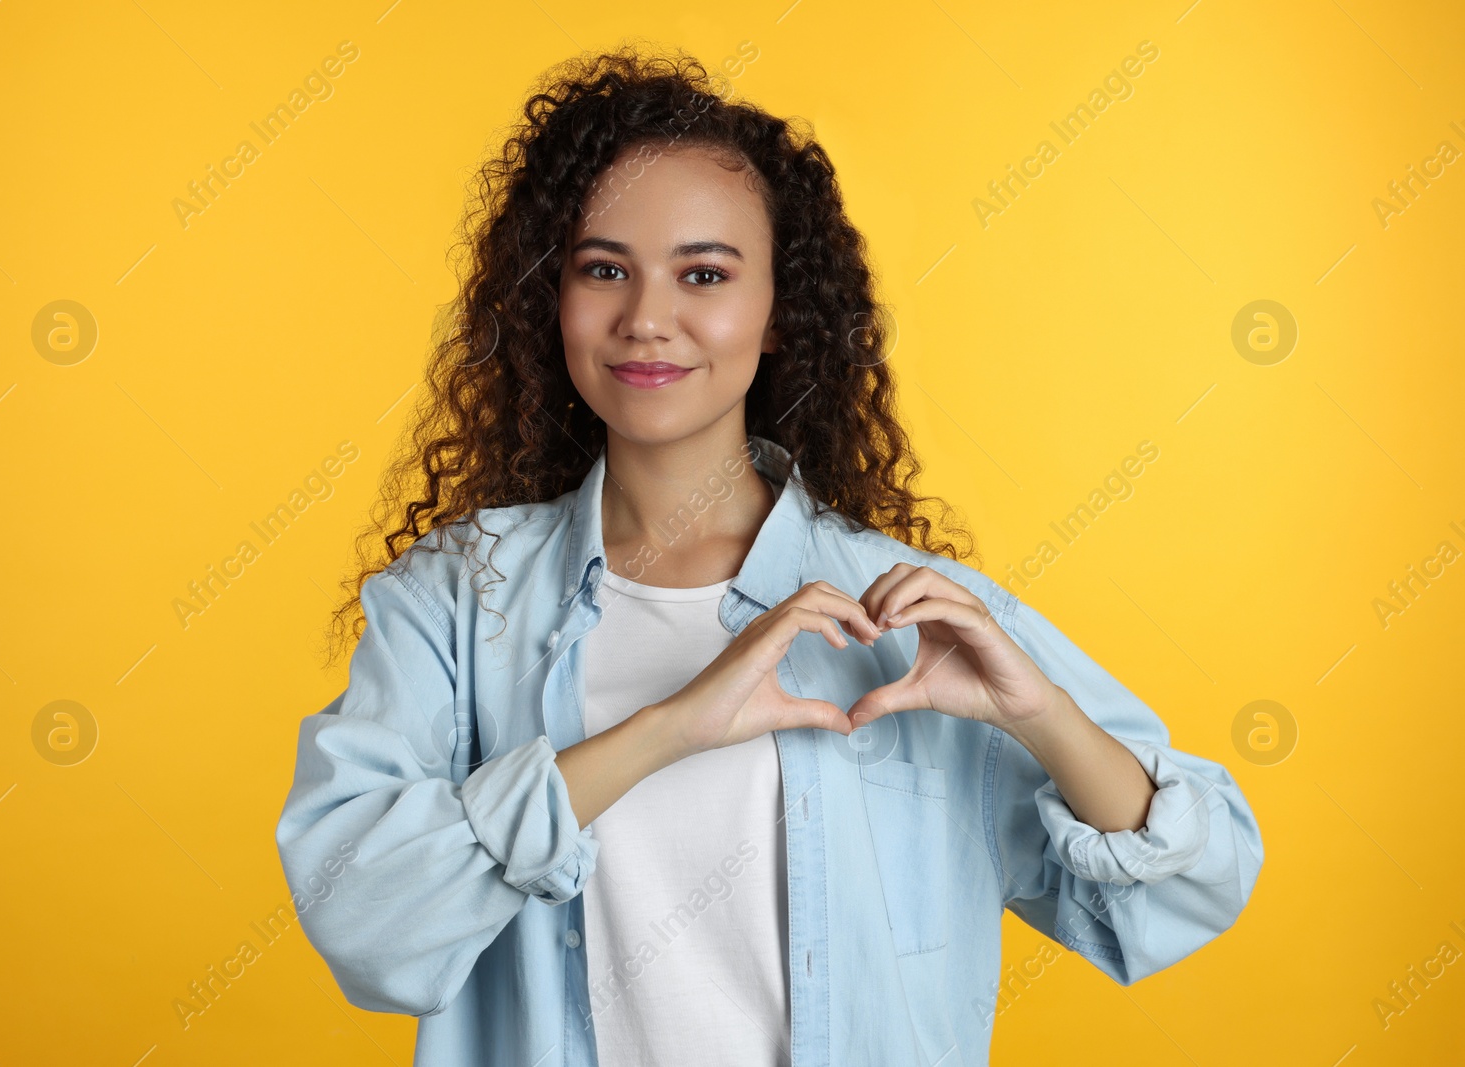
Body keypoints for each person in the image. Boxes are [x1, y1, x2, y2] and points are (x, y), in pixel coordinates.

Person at [275, 45, 1264, 1067]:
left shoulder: (915, 618)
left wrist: (1042, 715)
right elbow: (360, 917)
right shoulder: (453, 597)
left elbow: (1192, 887)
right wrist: (664, 728)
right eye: (602, 268)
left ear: (781, 312)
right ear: (549, 299)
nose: (646, 318)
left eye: (703, 273)